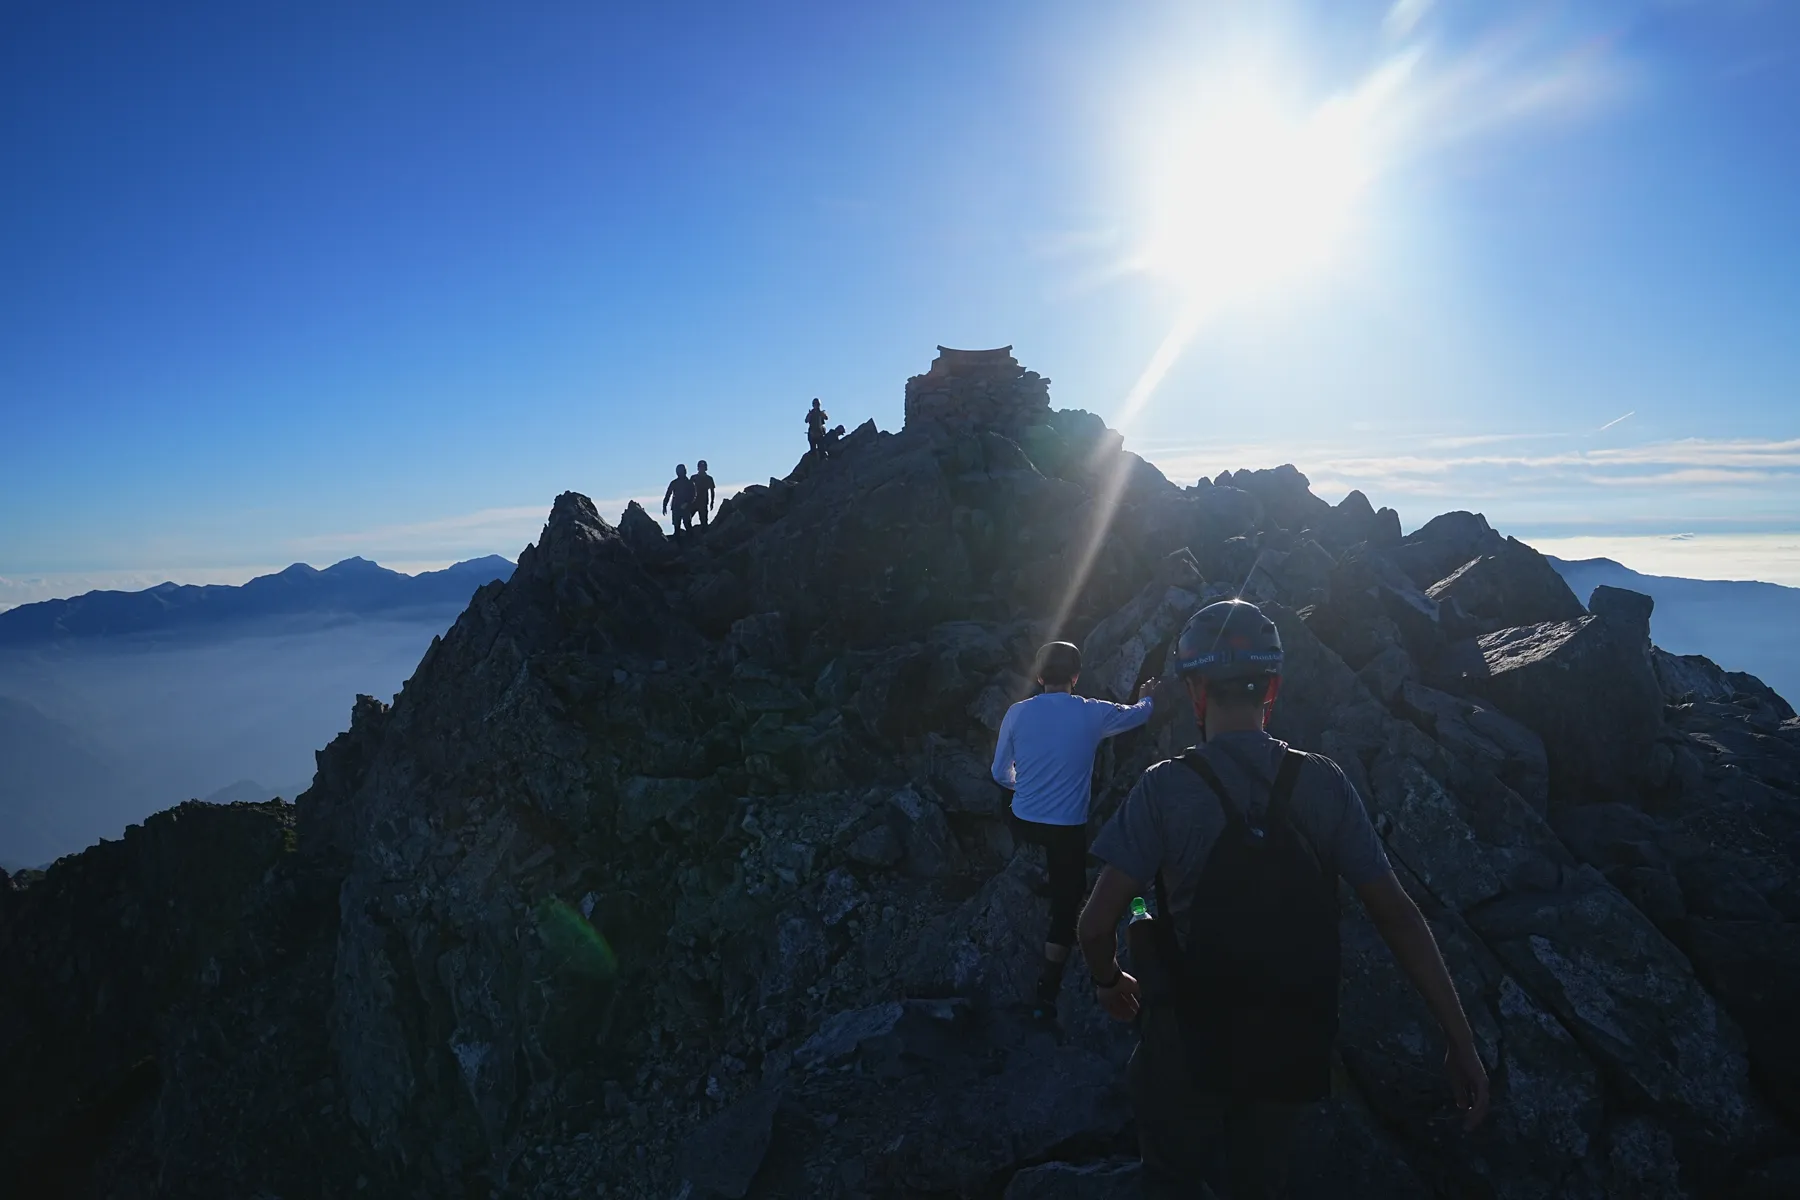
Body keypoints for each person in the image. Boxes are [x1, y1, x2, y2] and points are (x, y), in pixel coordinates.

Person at [1076, 599, 1490, 1199]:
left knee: (1169, 1176)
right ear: (1271, 686)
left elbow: (1095, 925)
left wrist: (1109, 980)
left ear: (1195, 689)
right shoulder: (1323, 783)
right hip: (1287, 1041)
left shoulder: (1164, 788)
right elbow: (1398, 915)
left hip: (1186, 1042)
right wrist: (1460, 1040)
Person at [992, 640, 1157, 1019]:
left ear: (1039, 677)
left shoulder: (1017, 713)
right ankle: (1048, 987)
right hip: (1067, 829)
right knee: (1067, 904)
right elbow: (1139, 714)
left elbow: (999, 773)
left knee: (1010, 800)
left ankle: (1026, 862)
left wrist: (1030, 784)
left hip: (1024, 821)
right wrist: (1149, 697)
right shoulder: (1092, 713)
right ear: (1076, 677)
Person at [662, 464, 696, 540]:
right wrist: (664, 505)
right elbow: (668, 494)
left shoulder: (689, 483)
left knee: (687, 524)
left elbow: (693, 495)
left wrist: (687, 503)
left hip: (685, 507)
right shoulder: (674, 483)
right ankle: (678, 543)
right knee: (676, 526)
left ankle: (691, 541)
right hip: (676, 507)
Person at [692, 460, 717, 528]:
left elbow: (712, 491)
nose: (702, 468)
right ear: (698, 468)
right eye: (700, 467)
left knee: (704, 521)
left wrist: (712, 502)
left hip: (703, 502)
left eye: (703, 467)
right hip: (693, 502)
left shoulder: (709, 478)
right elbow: (688, 489)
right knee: (687, 520)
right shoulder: (693, 478)